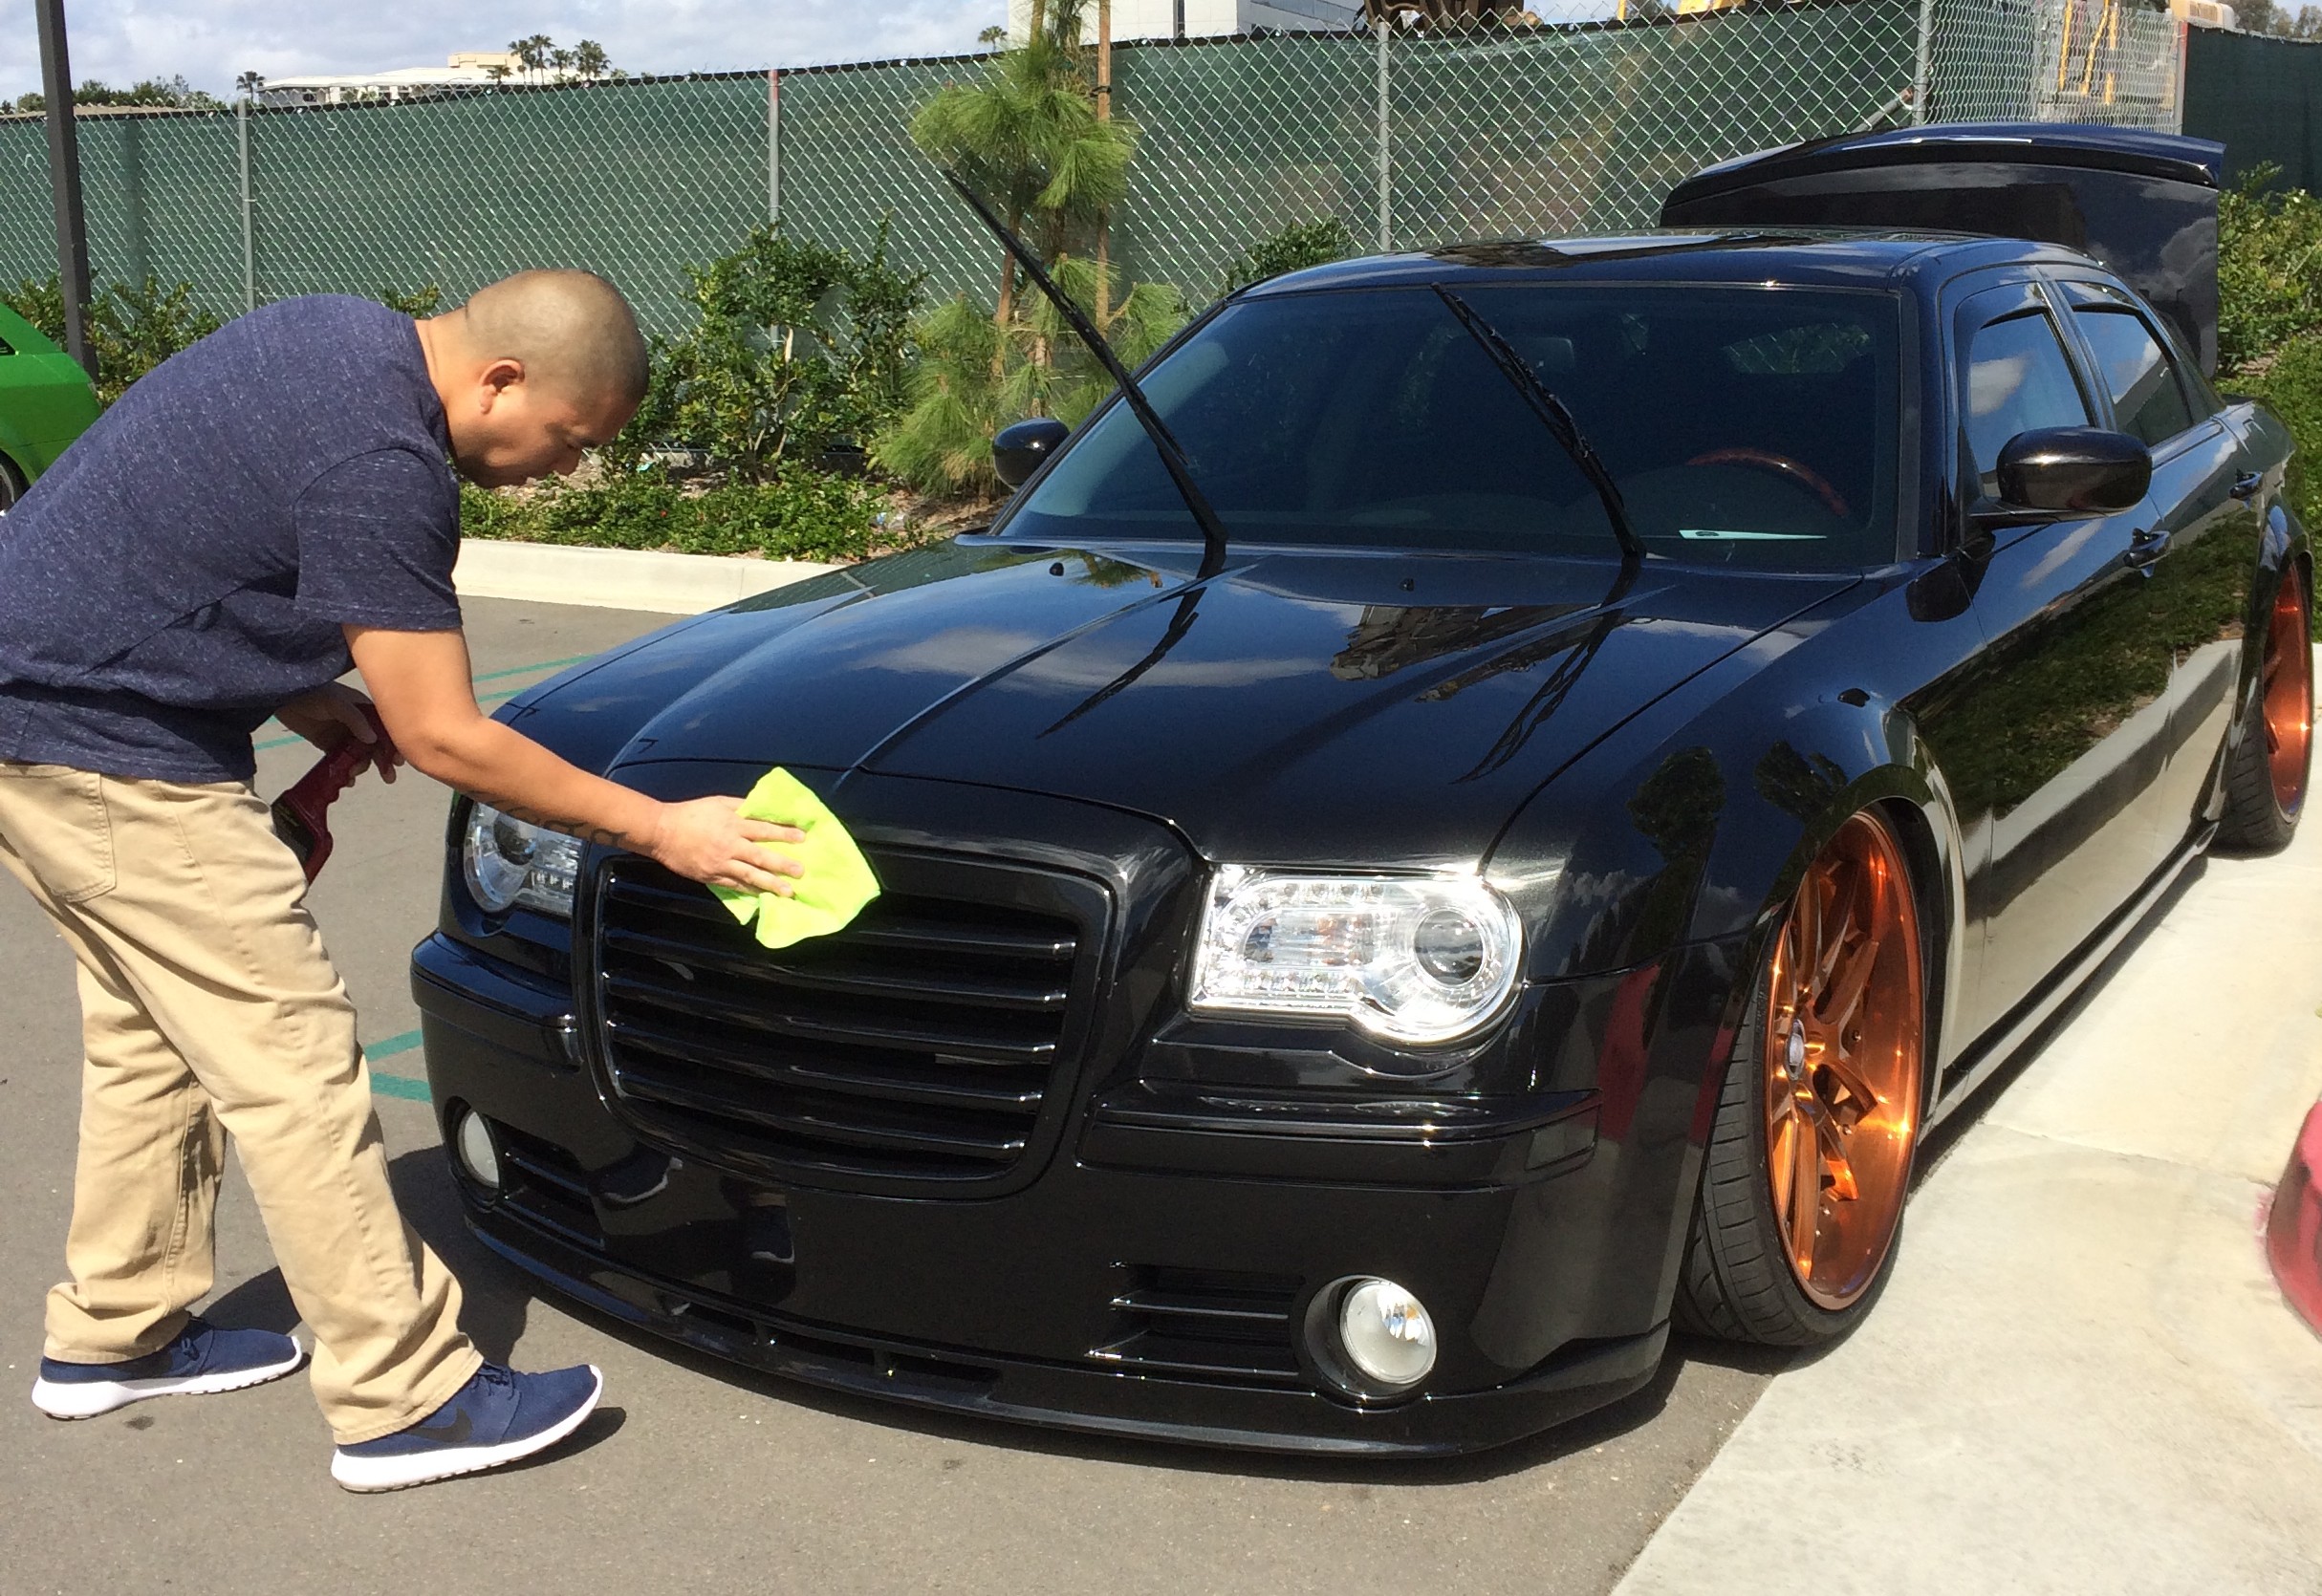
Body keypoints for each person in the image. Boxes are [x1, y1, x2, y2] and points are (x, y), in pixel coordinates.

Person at [0, 270, 804, 1493]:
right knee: (293, 1060)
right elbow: (447, 737)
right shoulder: (386, 462)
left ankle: (117, 1329)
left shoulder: (335, 335)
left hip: (43, 710)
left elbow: (181, 538)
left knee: (151, 1037)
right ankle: (402, 1396)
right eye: (566, 441)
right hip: (109, 753)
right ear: (501, 380)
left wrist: (290, 686)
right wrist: (659, 828)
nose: (556, 471)